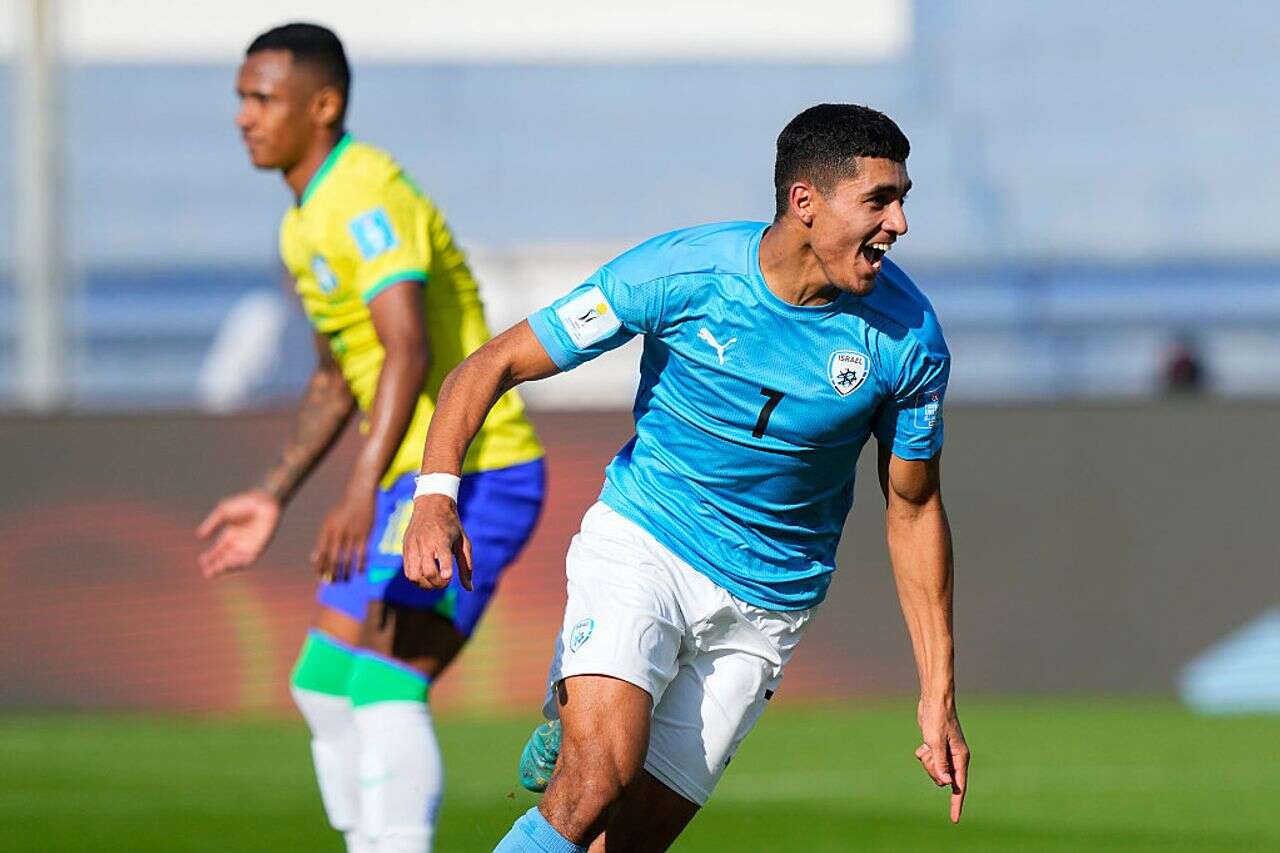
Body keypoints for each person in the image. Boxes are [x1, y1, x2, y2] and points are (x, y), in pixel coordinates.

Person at [402, 103, 969, 851]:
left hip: (769, 604)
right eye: (879, 200)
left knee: (623, 844)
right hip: (647, 542)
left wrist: (937, 692)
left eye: (902, 200)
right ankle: (587, 718)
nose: (898, 223)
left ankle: (580, 710)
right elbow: (493, 364)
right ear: (805, 201)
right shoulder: (681, 273)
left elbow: (915, 508)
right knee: (596, 782)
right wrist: (435, 498)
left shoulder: (910, 338)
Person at [196, 23, 545, 853]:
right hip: (406, 477)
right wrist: (273, 495)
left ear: (322, 105)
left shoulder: (366, 195)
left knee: (384, 683)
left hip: (473, 471)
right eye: (240, 98)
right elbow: (335, 376)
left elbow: (407, 348)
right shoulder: (304, 221)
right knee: (323, 684)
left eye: (262, 98)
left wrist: (360, 491)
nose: (243, 116)